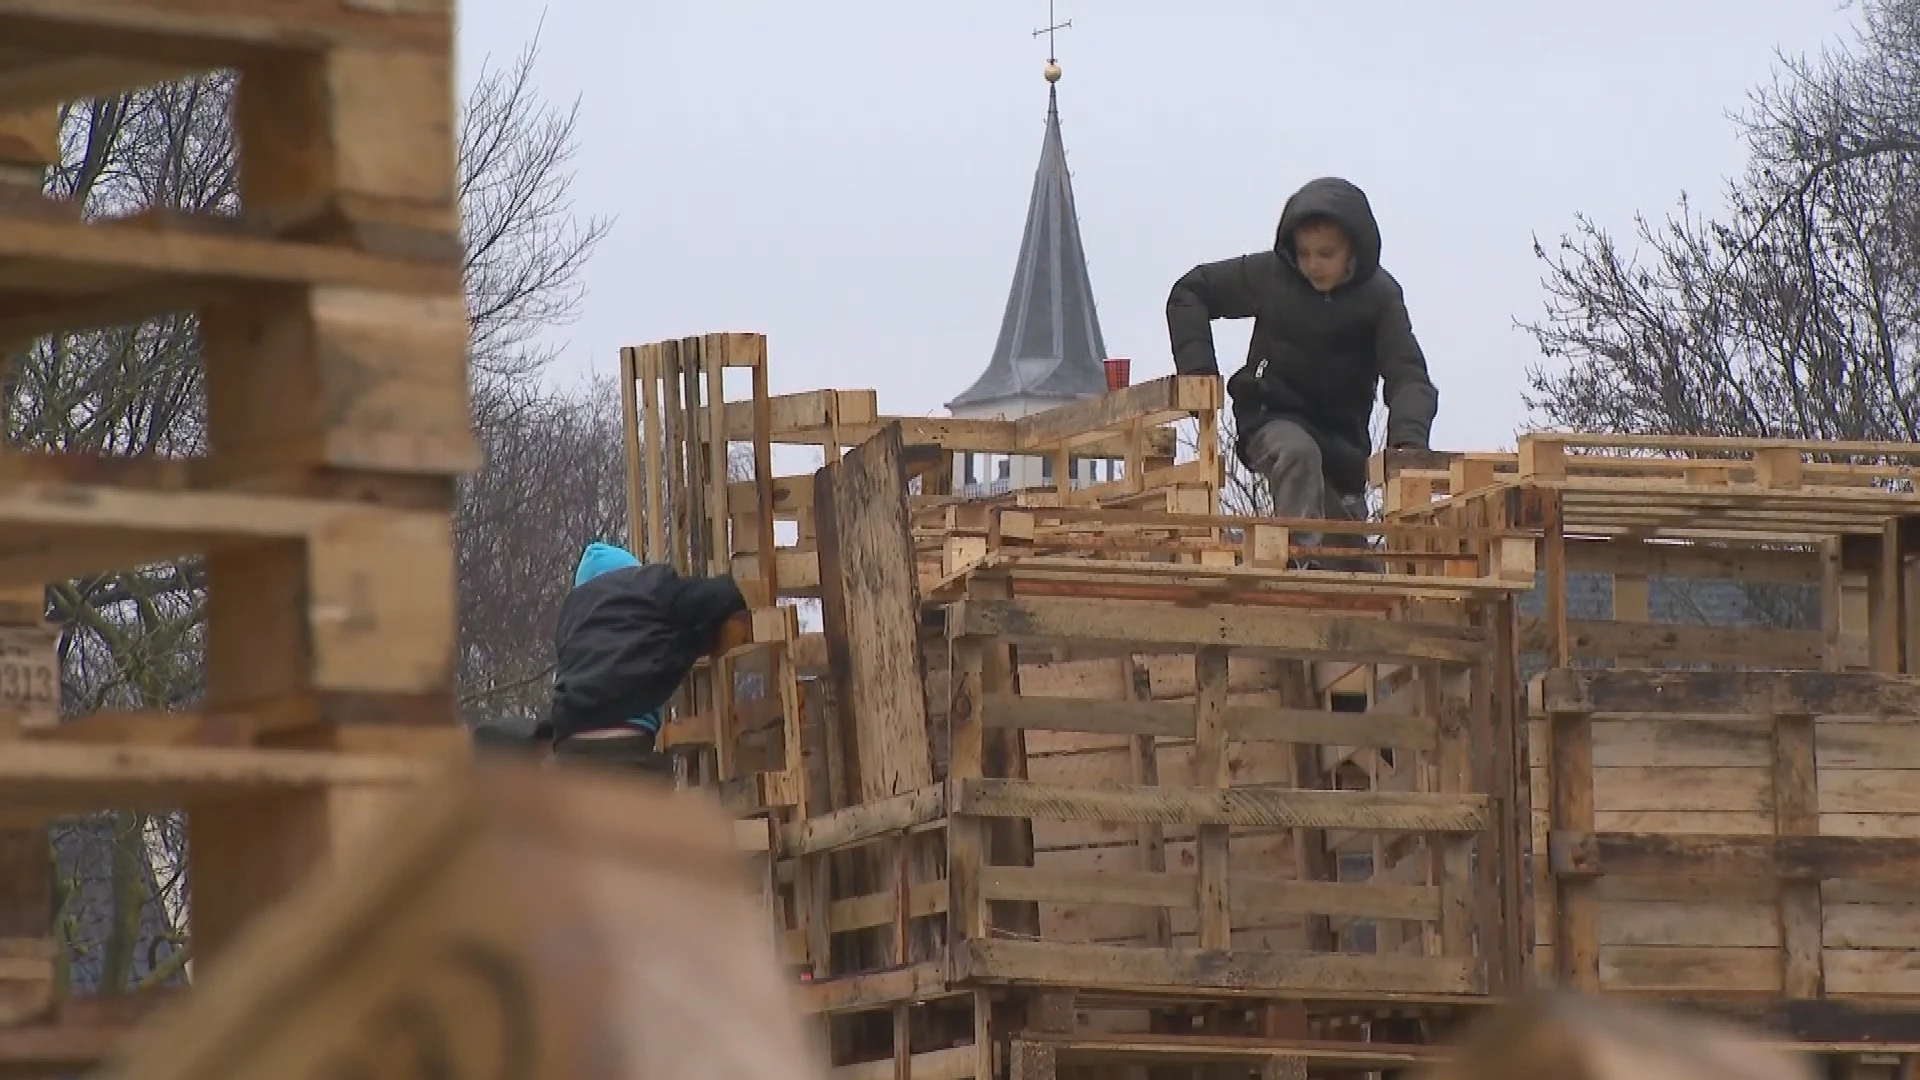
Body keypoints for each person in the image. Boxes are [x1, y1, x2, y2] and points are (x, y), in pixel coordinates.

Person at [1166, 176, 1438, 569]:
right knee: (1298, 453)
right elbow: (1191, 291)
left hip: (1342, 444)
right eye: (1305, 253)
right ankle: (1297, 565)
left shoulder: (1379, 298)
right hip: (1271, 416)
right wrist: (1198, 373)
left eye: (1326, 253)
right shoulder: (1273, 276)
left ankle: (1360, 593)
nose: (1313, 265)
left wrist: (1407, 445)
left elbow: (1408, 374)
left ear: (1353, 252)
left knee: (1353, 564)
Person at [542, 541, 753, 778]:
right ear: (633, 571)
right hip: (626, 749)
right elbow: (723, 594)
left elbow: (631, 650)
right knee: (647, 812)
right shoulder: (652, 586)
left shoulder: (571, 617)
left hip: (569, 749)